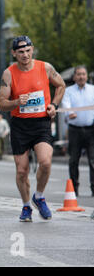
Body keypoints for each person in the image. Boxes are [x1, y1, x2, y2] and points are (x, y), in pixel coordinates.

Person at [0, 36, 65, 222]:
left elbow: (61, 86)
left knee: (45, 162)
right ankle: (26, 205)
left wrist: (53, 105)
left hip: (41, 123)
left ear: (32, 49)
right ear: (14, 53)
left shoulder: (45, 67)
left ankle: (39, 196)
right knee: (22, 171)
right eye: (20, 52)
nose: (25, 55)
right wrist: (16, 102)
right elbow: (2, 104)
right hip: (20, 125)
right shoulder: (8, 74)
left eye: (27, 51)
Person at [61, 65, 94, 197]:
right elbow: (66, 104)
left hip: (91, 130)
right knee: (74, 160)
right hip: (75, 130)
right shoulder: (68, 91)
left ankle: (93, 188)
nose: (81, 77)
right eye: (79, 74)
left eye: (83, 74)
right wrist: (70, 113)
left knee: (93, 160)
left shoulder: (92, 90)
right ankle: (74, 188)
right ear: (74, 77)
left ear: (87, 76)